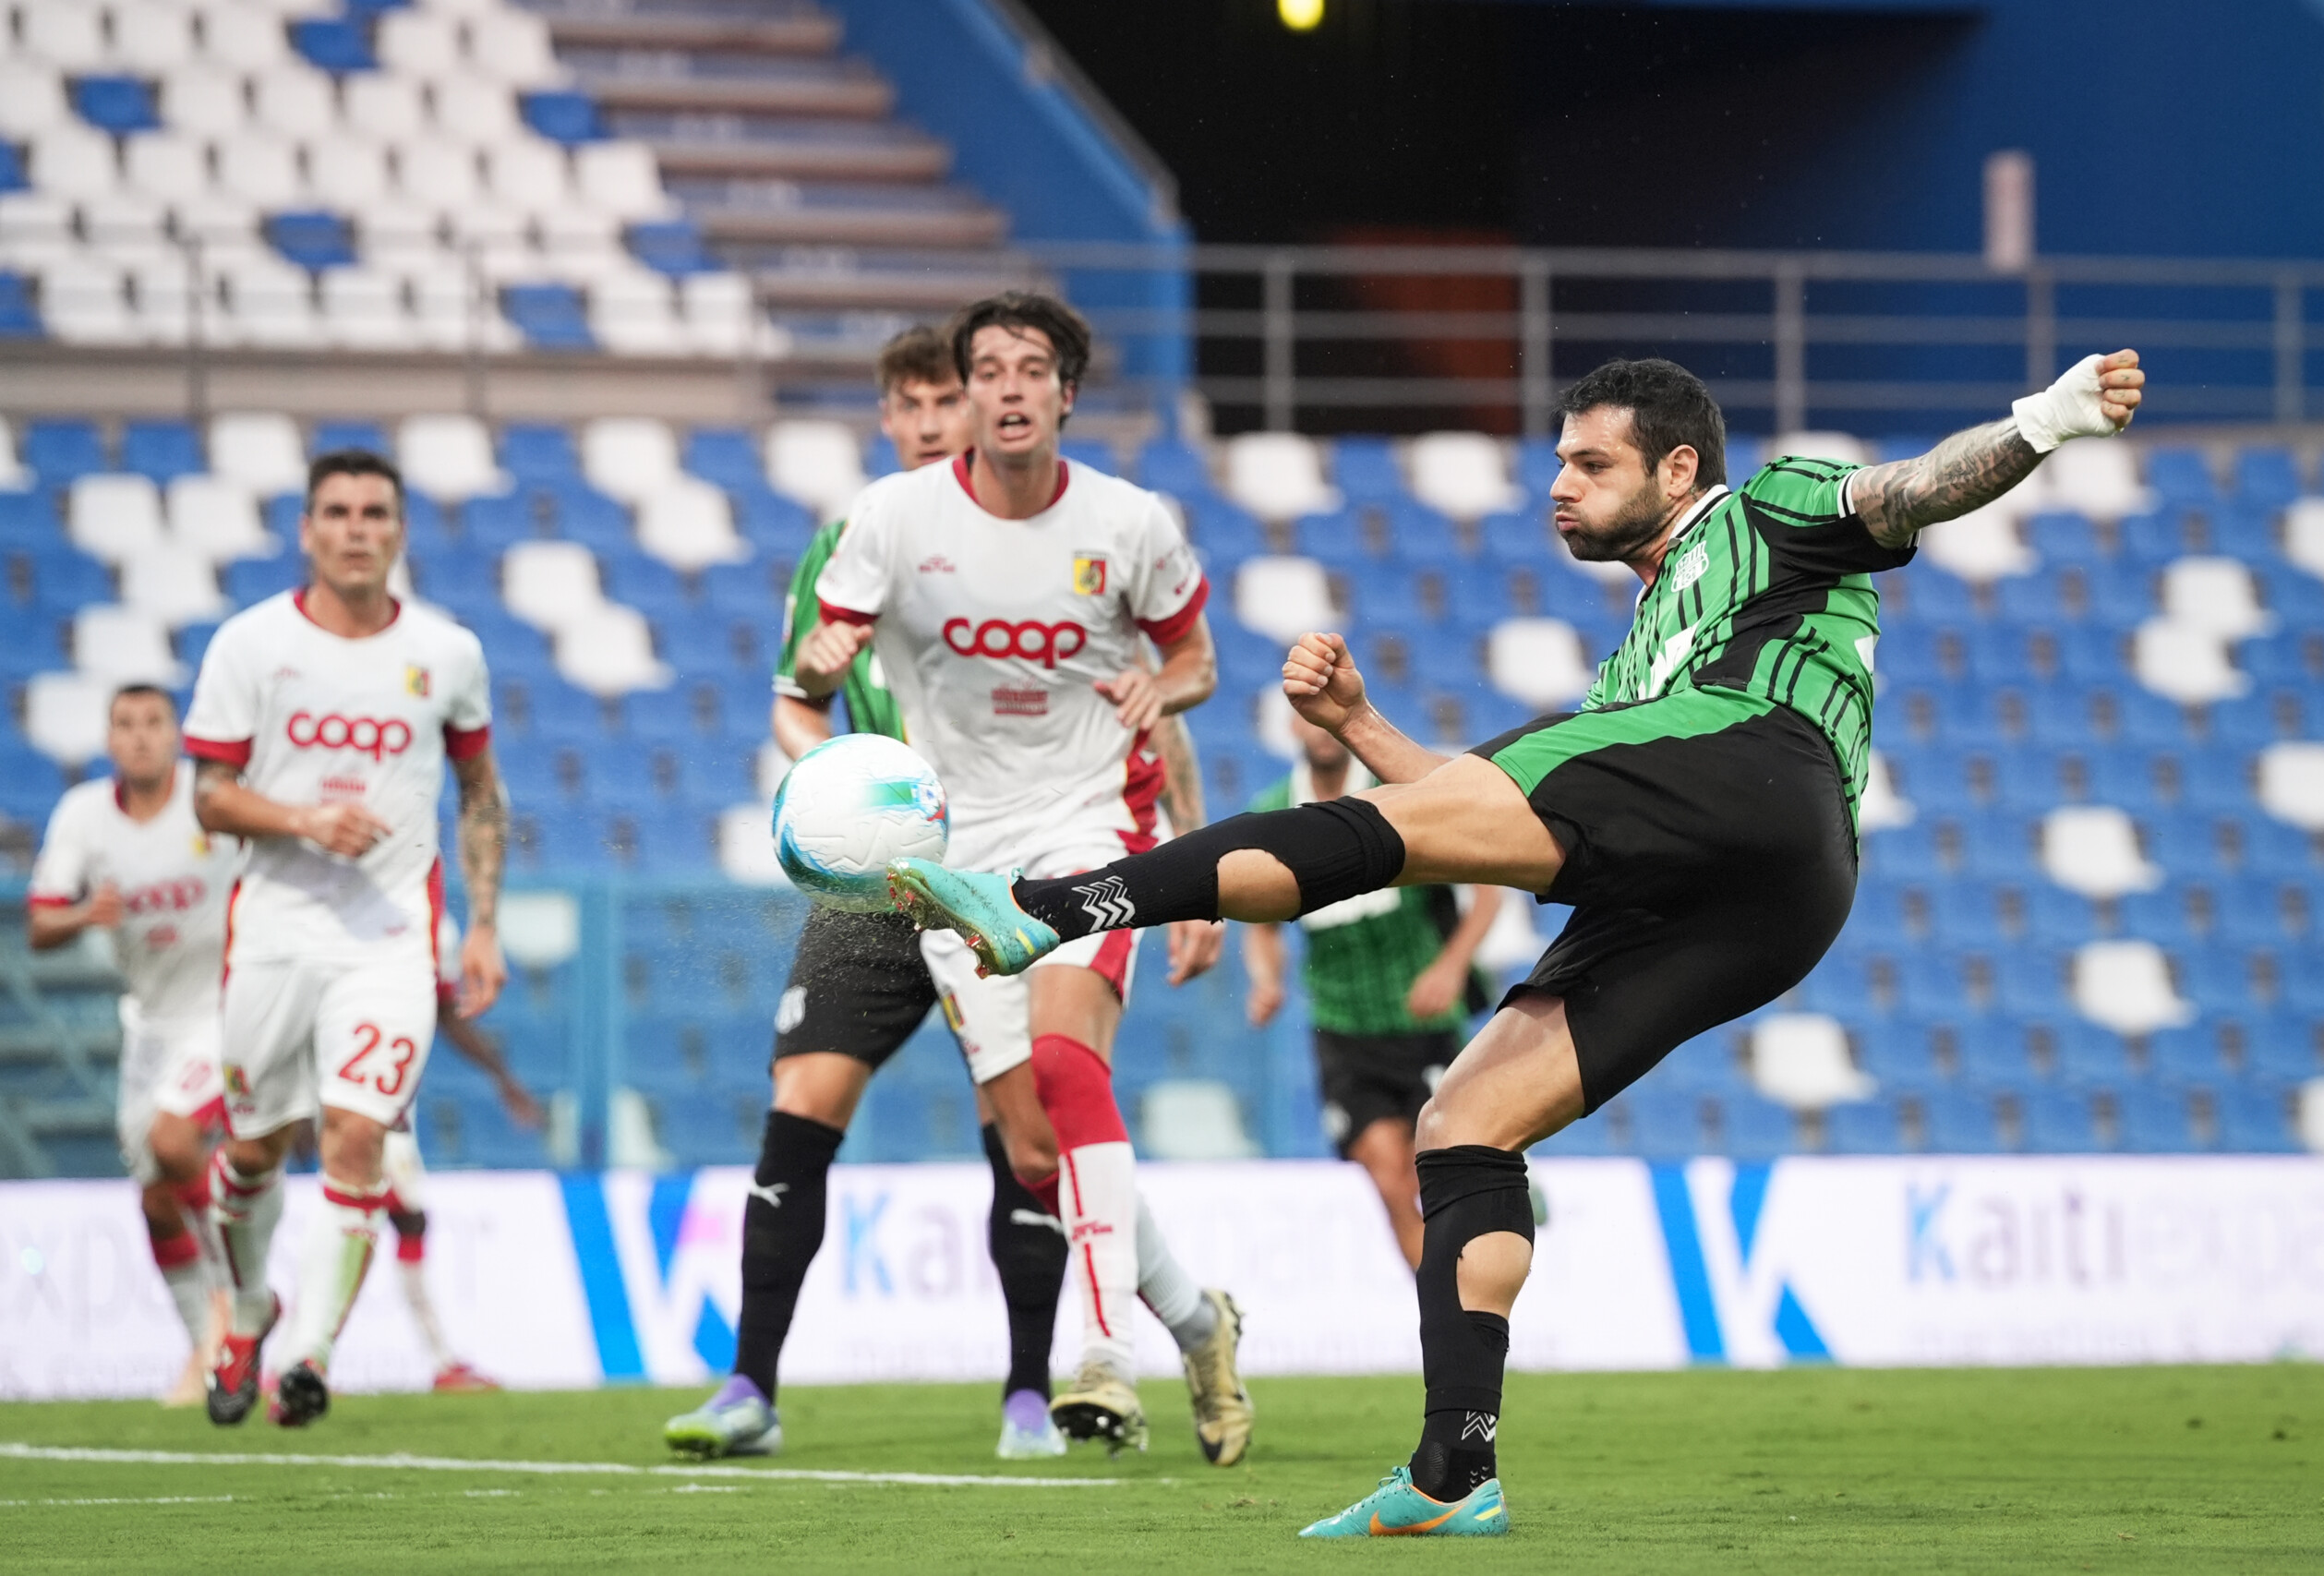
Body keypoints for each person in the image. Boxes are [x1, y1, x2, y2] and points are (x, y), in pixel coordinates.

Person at [889, 350, 2148, 1534]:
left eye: (1589, 462)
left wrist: (2048, 418)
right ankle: (1455, 1468)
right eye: (1556, 460)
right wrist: (1365, 722)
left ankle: (1050, 907)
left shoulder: (1763, 513)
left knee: (1369, 827)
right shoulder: (1638, 668)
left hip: (1760, 763)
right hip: (1774, 898)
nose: (1558, 484)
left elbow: (1915, 486)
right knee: (1465, 1121)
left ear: (1674, 471)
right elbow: (1470, 806)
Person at [665, 322, 1251, 1465]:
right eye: (981, 378)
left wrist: (1187, 845)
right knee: (1029, 1145)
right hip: (934, 861)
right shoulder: (882, 525)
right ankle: (1194, 1319)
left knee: (1071, 1068)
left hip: (1089, 829)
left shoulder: (1127, 523)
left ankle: (1090, 1365)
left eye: (1027, 373)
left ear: (1067, 393)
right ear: (925, 408)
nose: (995, 396)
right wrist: (828, 701)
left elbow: (1195, 668)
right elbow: (808, 671)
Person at [185, 447, 510, 1428]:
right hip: (275, 934)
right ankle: (249, 1309)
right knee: (250, 1148)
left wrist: (483, 925)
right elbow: (210, 796)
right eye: (337, 512)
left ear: (399, 529)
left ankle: (310, 1359)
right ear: (307, 530)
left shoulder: (448, 653)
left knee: (358, 1137)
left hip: (390, 938)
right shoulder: (250, 645)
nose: (357, 528)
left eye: (375, 512)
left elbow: (481, 794)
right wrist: (303, 820)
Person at [27, 683, 242, 1404]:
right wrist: (88, 912)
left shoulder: (211, 800)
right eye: (126, 724)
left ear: (176, 732)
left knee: (175, 1140)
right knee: (153, 1197)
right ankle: (206, 1348)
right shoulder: (84, 816)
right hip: (149, 1020)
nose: (141, 735)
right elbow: (40, 924)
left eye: (154, 722)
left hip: (223, 1007)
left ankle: (238, 1307)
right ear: (109, 739)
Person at [1243, 713, 1499, 1269]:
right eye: (1305, 720)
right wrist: (1267, 979)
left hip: (1422, 1025)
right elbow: (1258, 921)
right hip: (1343, 1031)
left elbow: (1487, 885)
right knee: (1387, 1178)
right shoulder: (1276, 813)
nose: (1319, 732)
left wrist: (1452, 967)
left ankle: (1500, 1203)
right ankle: (1445, 1317)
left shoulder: (1397, 794)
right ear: (1293, 725)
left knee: (1436, 1174)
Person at [375, 932, 545, 1394]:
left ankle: (303, 1356)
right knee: (387, 1215)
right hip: (356, 1099)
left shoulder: (434, 928)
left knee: (400, 1217)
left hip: (388, 1102)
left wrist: (503, 1077)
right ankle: (301, 1356)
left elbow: (446, 1016)